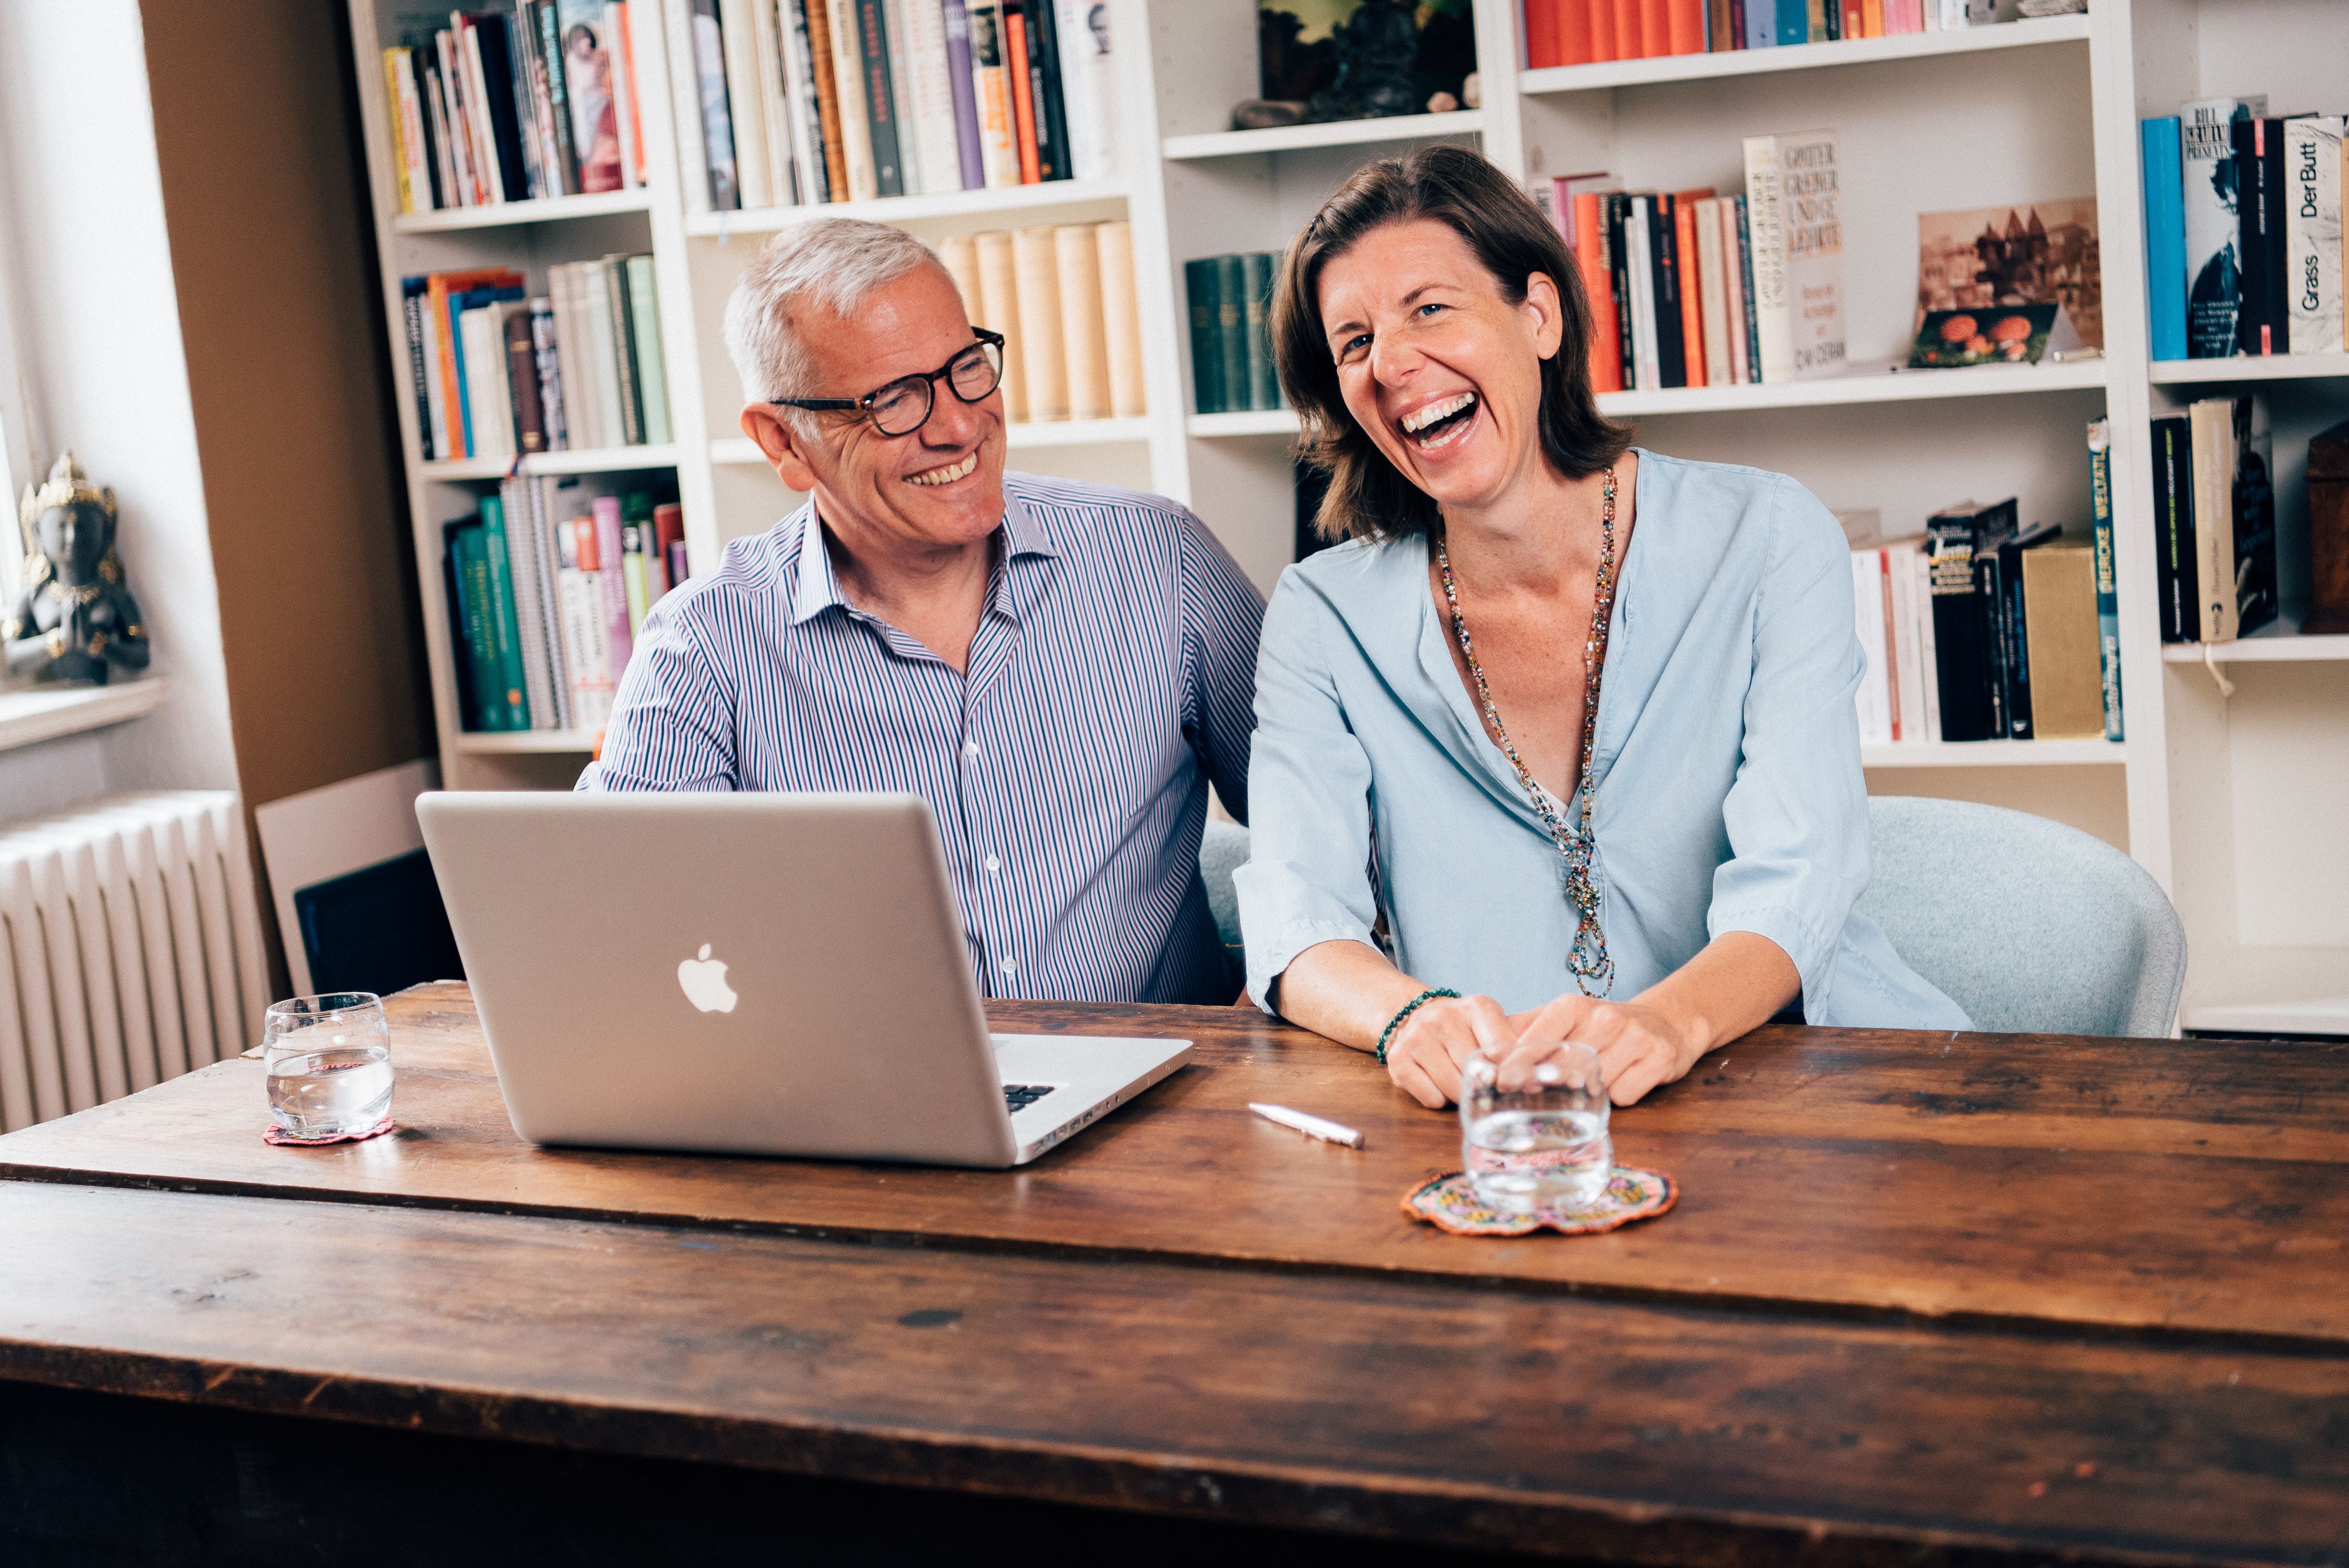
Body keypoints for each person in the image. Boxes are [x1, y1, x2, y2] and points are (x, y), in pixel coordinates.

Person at [1237, 146, 1967, 1112]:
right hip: (1516, 1127)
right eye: (1354, 341)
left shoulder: (1768, 535)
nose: (1395, 363)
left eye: (1430, 307)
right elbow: (1295, 920)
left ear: (1537, 314)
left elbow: (1803, 876)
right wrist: (1406, 1017)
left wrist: (1665, 1024)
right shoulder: (1322, 616)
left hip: (1802, 1091)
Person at [583, 218, 1263, 1006]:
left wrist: (1257, 1026)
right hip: (869, 1112)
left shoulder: (1160, 560)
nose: (958, 425)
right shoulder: (704, 647)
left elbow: (1333, 837)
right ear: (785, 444)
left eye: (967, 367)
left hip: (1170, 1103)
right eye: (893, 401)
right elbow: (621, 940)